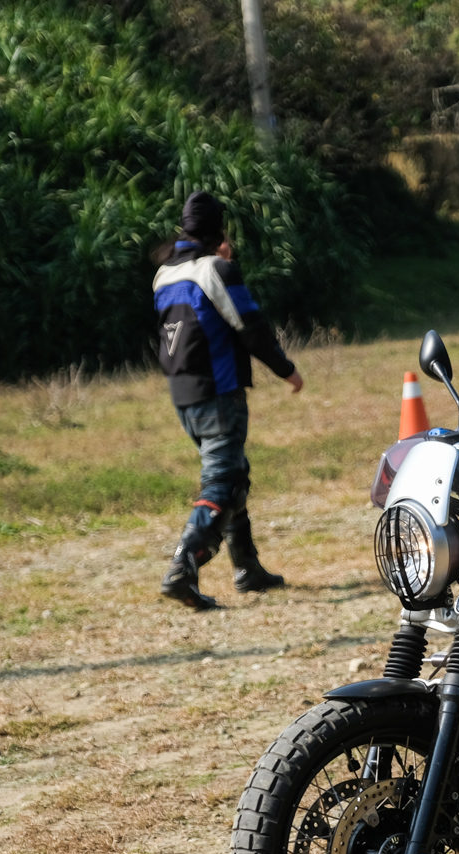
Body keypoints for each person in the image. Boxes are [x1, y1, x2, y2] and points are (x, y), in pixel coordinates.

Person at [153, 190, 304, 611]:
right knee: (224, 482)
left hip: (183, 396)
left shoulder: (164, 273)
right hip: (219, 393)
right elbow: (249, 326)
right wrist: (285, 368)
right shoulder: (216, 269)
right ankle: (183, 565)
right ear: (219, 229)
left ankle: (247, 568)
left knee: (235, 471)